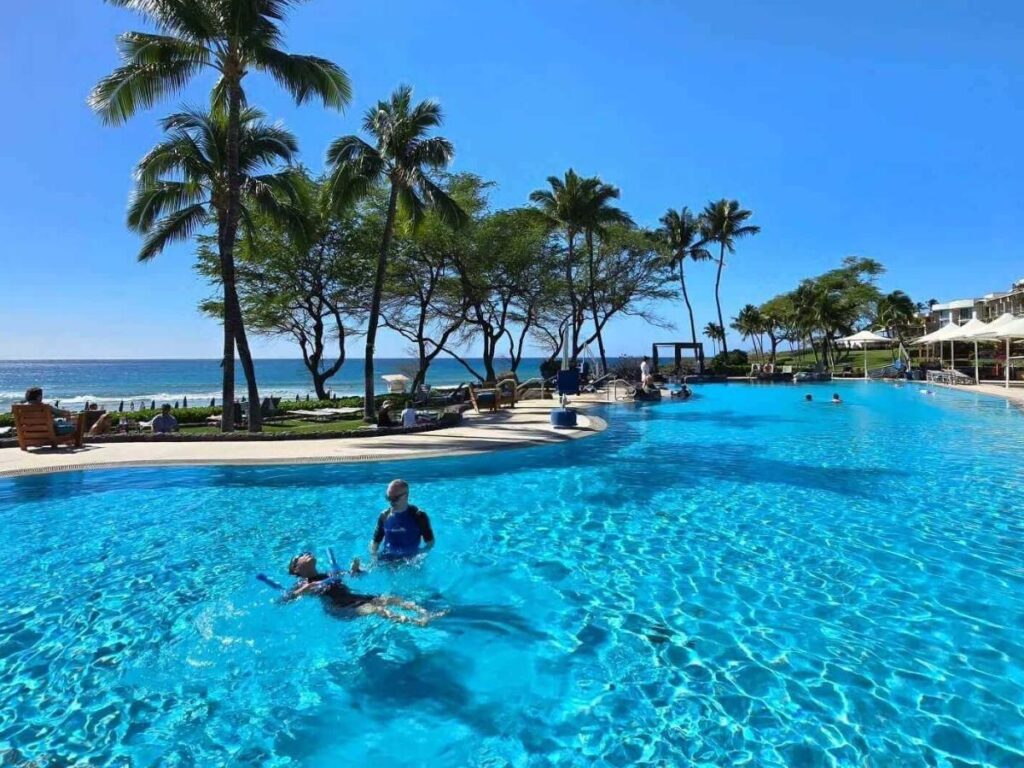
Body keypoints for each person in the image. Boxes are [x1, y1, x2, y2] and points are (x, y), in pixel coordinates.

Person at [284, 552, 437, 625]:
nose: (307, 554)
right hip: (340, 607)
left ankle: (426, 613)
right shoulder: (302, 583)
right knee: (378, 610)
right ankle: (415, 622)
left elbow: (354, 575)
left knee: (391, 598)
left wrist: (356, 570)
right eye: (302, 556)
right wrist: (301, 592)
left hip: (354, 597)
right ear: (296, 569)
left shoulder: (329, 573)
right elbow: (284, 600)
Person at [371, 479, 435, 560]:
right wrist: (374, 558)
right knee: (358, 571)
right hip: (387, 559)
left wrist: (420, 555)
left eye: (395, 498)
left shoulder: (419, 516)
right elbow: (375, 543)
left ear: (406, 496)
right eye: (388, 498)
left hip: (411, 560)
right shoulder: (384, 516)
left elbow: (430, 543)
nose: (391, 502)